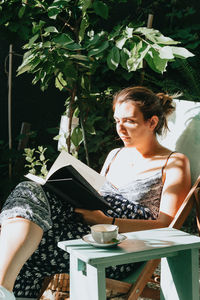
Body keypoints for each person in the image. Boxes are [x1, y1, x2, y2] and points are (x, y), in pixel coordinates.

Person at [0, 86, 191, 299]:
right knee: (29, 193)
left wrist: (108, 221)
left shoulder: (174, 162)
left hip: (120, 247)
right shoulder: (114, 155)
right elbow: (95, 197)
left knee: (24, 245)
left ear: (152, 122)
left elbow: (166, 224)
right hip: (87, 230)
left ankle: (3, 290)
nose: (121, 129)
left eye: (129, 121)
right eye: (117, 121)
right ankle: (3, 290)